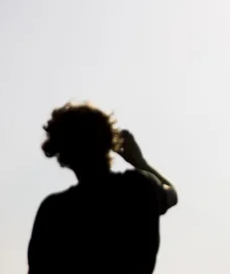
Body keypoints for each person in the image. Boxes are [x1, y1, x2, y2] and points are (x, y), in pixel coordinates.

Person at [27, 102, 178, 274]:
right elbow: (172, 194)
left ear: (62, 155)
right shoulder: (138, 187)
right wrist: (139, 161)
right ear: (107, 141)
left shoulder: (54, 210)